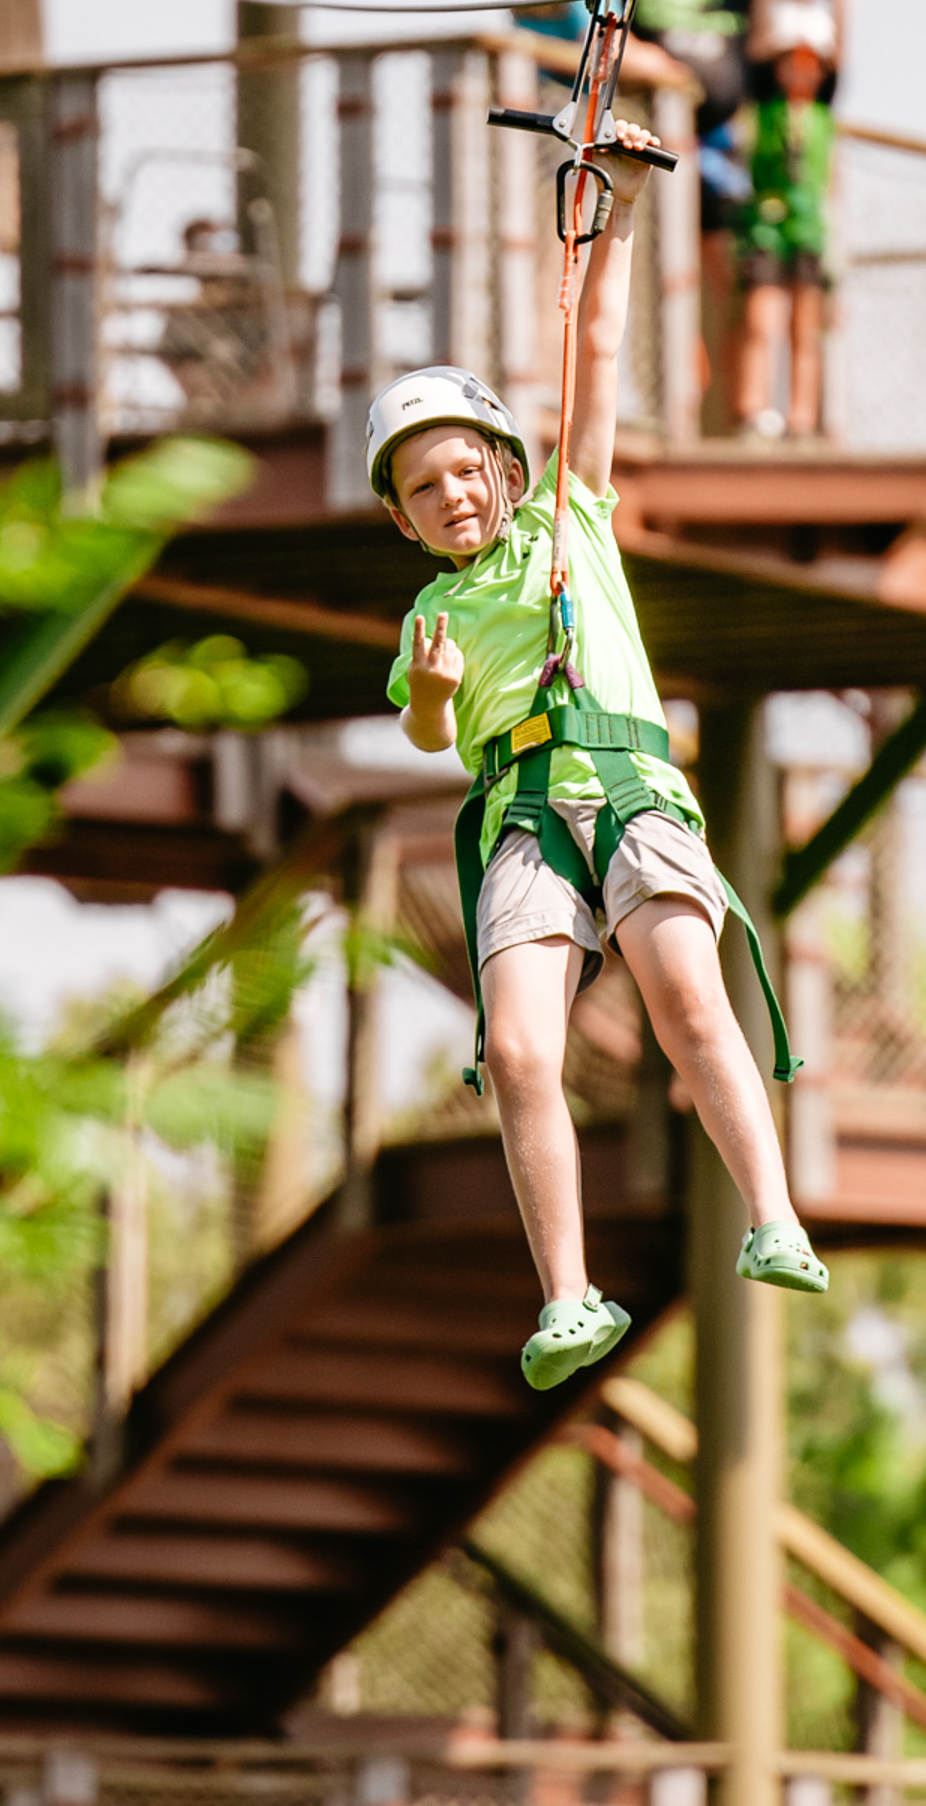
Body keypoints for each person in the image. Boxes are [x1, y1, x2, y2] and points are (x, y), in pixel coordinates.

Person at [373, 119, 826, 1396]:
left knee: (686, 998)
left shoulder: (570, 515)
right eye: (426, 488)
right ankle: (566, 1296)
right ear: (405, 521)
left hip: (625, 789)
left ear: (504, 467)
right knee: (519, 1052)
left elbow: (596, 347)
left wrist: (614, 206)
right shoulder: (431, 617)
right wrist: (437, 693)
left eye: (466, 469)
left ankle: (771, 1211)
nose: (455, 495)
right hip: (521, 814)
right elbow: (419, 724)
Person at [629, 0, 758, 424]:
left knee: (734, 284)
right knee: (659, 282)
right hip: (652, 147)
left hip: (721, 151)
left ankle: (738, 413)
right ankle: (673, 405)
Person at [733, 0, 847, 441]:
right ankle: (754, 411)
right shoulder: (766, 94)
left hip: (810, 223)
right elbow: (764, 4)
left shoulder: (823, 104)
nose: (799, 72)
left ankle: (803, 416)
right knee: (763, 317)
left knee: (808, 322)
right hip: (767, 217)